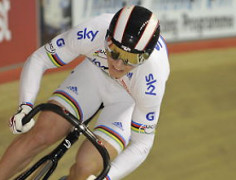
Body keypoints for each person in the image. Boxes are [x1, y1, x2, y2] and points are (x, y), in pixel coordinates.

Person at [0, 5, 169, 180]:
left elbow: (141, 145)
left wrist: (107, 178)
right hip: (93, 75)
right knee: (41, 134)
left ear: (145, 58)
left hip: (128, 100)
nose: (118, 65)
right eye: (114, 52)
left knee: (85, 169)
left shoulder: (151, 83)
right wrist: (25, 106)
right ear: (107, 37)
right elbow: (40, 58)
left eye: (130, 60)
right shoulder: (93, 31)